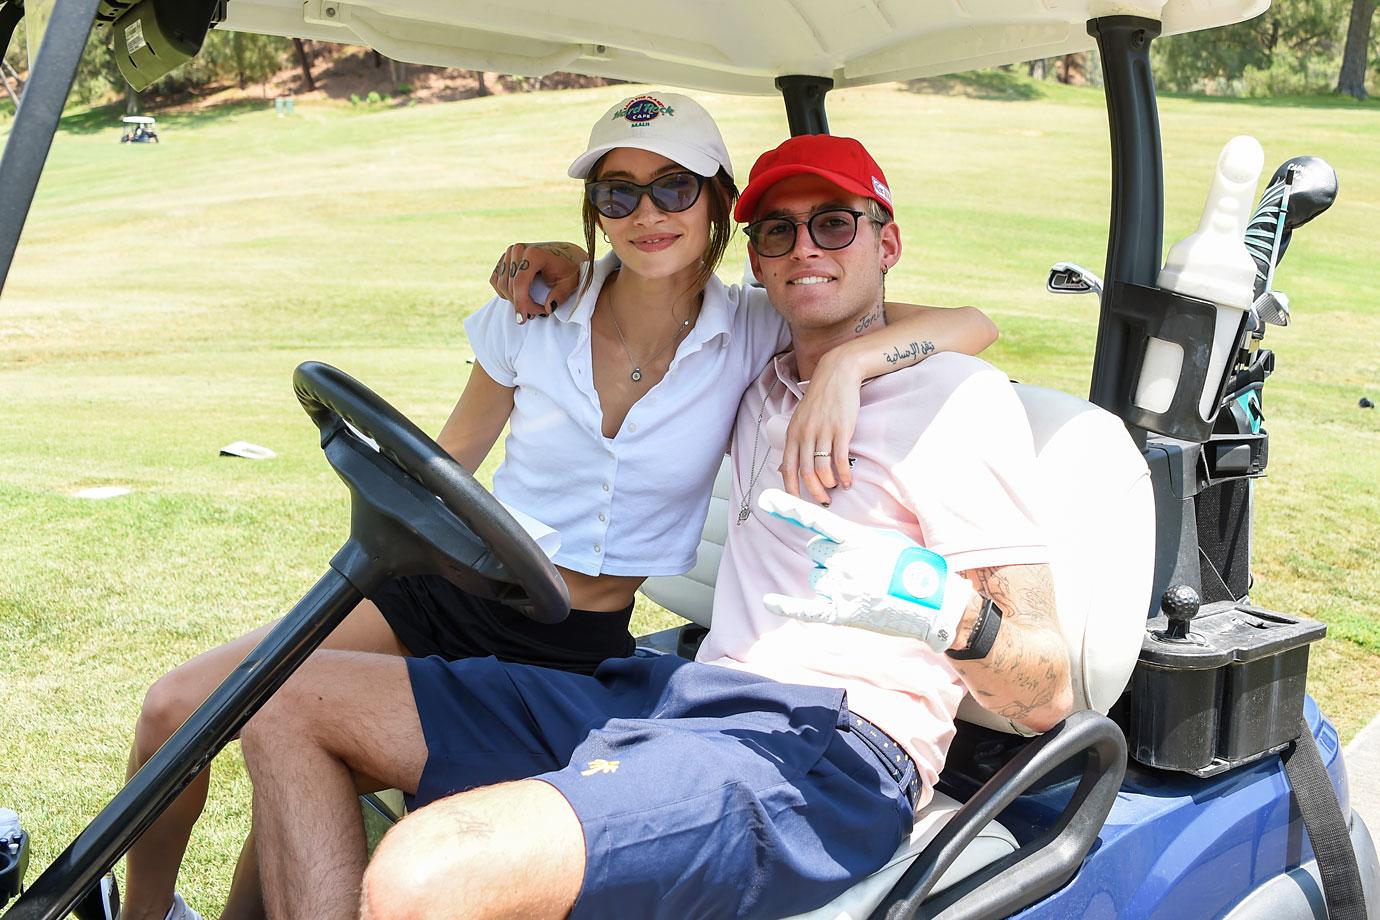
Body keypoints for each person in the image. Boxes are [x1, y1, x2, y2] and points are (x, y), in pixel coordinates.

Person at [117, 94, 995, 920]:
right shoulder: (538, 311)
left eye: (674, 188)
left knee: (313, 754)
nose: (647, 214)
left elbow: (968, 321)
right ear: (595, 208)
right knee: (183, 708)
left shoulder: (757, 327)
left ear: (716, 205)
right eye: (619, 193)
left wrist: (849, 366)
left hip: (571, 639)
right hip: (445, 590)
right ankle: (140, 912)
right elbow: (450, 455)